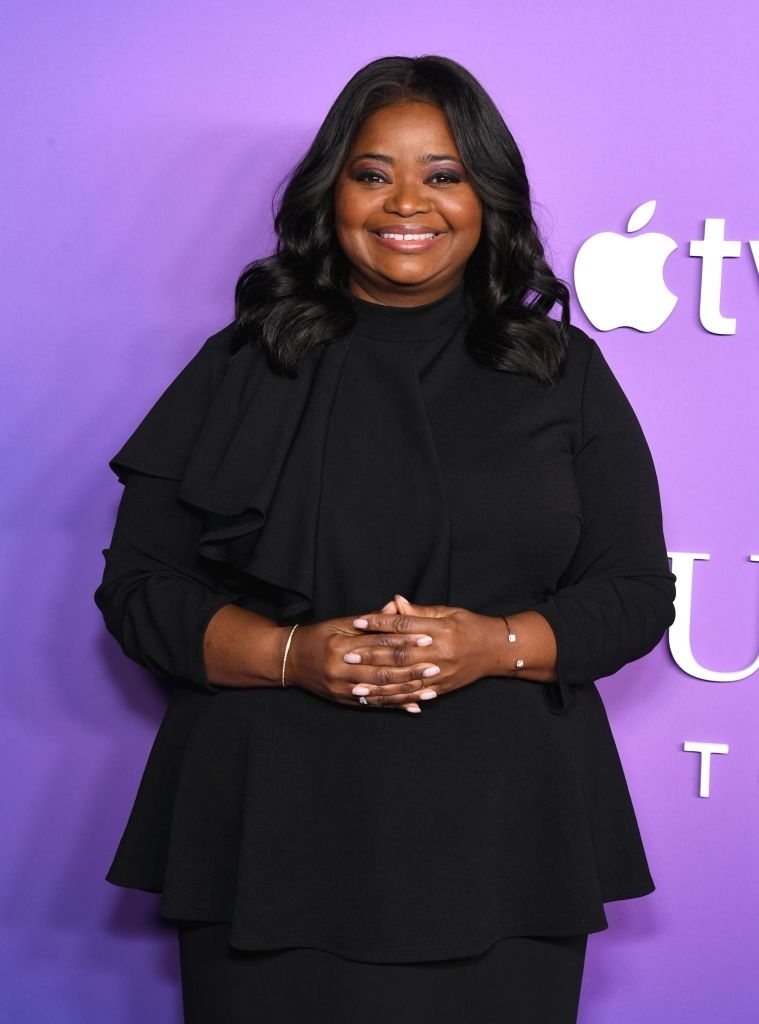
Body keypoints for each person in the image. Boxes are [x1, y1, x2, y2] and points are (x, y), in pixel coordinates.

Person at [96, 55, 676, 1024]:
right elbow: (139, 589)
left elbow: (633, 590)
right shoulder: (242, 362)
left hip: (506, 837)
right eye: (374, 172)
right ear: (333, 195)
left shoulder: (562, 369)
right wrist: (293, 655)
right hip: (270, 833)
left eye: (443, 174)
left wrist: (493, 643)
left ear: (486, 197)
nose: (408, 201)